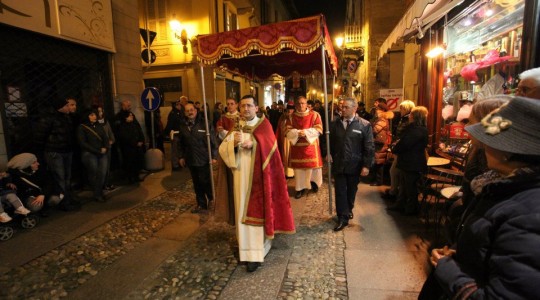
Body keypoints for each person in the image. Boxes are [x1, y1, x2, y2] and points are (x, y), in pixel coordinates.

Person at [419, 96, 540, 299]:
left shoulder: (528, 212)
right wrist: (460, 255)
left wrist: (447, 268)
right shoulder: (500, 187)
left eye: (488, 140)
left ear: (507, 153)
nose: (484, 146)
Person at [218, 95, 295, 272]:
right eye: (243, 106)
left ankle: (256, 254)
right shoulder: (236, 126)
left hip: (259, 181)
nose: (246, 109)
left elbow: (271, 149)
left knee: (257, 213)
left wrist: (253, 145)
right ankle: (245, 252)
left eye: (249, 106)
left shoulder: (264, 125)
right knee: (241, 214)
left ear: (256, 108)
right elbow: (223, 149)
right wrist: (234, 145)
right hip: (240, 178)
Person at [324, 98, 374, 231]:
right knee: (340, 191)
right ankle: (342, 217)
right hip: (339, 163)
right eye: (342, 107)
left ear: (354, 108)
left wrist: (366, 165)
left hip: (354, 164)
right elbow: (327, 140)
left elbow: (369, 146)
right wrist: (327, 152)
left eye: (346, 107)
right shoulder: (335, 124)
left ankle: (348, 209)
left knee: (351, 191)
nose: (343, 109)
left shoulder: (364, 125)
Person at [33, 97, 79, 211]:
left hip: (67, 151)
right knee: (60, 178)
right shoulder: (48, 119)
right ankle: (63, 202)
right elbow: (39, 137)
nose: (69, 107)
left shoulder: (67, 118)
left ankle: (67, 198)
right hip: (55, 152)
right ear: (60, 107)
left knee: (67, 177)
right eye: (67, 105)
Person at [387, 106, 428, 215]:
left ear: (415, 117)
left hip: (412, 163)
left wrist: (395, 148)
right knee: (404, 185)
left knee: (410, 188)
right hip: (409, 162)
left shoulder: (417, 130)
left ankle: (411, 210)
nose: (409, 116)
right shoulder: (417, 129)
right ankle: (401, 205)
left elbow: (405, 144)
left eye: (411, 114)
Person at [177, 103, 217, 213]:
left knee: (206, 181)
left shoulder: (205, 123)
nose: (190, 112)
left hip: (204, 158)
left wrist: (214, 156)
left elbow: (213, 140)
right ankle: (201, 204)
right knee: (196, 183)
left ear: (196, 110)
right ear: (185, 113)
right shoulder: (183, 125)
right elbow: (180, 143)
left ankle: (212, 200)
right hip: (191, 159)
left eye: (192, 109)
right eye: (187, 110)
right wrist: (181, 156)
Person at [285, 96, 324, 199]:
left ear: (307, 104)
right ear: (295, 105)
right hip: (297, 147)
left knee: (313, 168)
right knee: (299, 170)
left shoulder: (315, 115)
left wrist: (305, 132)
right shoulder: (291, 117)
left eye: (303, 103)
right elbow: (287, 130)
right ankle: (300, 188)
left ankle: (314, 184)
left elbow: (319, 129)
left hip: (311, 146)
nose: (301, 105)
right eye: (298, 104)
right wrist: (298, 133)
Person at [383, 100, 415, 199]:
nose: (400, 110)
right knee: (396, 172)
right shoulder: (404, 119)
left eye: (402, 108)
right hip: (400, 148)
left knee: (394, 171)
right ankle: (394, 191)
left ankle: (394, 193)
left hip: (402, 150)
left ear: (406, 109)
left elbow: (403, 136)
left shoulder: (408, 120)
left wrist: (395, 146)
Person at [77, 109, 109, 202]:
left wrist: (106, 147)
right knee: (94, 173)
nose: (94, 116)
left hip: (102, 152)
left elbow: (105, 137)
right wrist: (98, 150)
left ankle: (98, 192)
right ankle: (97, 193)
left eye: (94, 115)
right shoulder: (82, 127)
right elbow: (83, 143)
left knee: (102, 173)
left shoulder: (98, 126)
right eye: (91, 115)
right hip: (90, 154)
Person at [369, 98, 394, 186]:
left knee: (379, 162)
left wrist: (369, 128)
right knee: (377, 161)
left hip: (380, 144)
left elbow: (375, 130)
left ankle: (378, 181)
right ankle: (376, 179)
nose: (376, 111)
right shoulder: (379, 118)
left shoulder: (382, 119)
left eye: (377, 109)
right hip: (379, 143)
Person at [116, 111, 145, 183]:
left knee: (137, 162)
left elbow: (140, 132)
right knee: (130, 163)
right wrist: (135, 143)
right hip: (128, 148)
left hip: (137, 148)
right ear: (125, 117)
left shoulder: (134, 124)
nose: (131, 116)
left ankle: (136, 176)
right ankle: (130, 177)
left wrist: (141, 141)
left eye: (132, 115)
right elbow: (125, 137)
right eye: (129, 115)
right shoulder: (122, 126)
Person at [94, 105, 116, 190]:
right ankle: (101, 184)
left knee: (107, 167)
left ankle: (107, 183)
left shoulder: (105, 122)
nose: (100, 113)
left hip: (107, 147)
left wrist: (111, 141)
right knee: (101, 168)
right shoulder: (94, 123)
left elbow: (110, 133)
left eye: (101, 111)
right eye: (98, 111)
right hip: (99, 148)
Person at [164, 99, 186, 170]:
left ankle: (179, 164)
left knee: (179, 150)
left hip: (180, 134)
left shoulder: (180, 112)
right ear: (175, 105)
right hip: (175, 134)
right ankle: (175, 165)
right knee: (175, 150)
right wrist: (166, 133)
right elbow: (170, 124)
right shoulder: (173, 114)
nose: (180, 106)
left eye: (179, 104)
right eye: (178, 104)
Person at [276, 100, 296, 178]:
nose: (290, 111)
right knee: (286, 155)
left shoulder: (296, 116)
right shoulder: (283, 116)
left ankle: (293, 172)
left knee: (292, 155)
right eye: (289, 109)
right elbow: (279, 126)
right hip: (285, 139)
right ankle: (286, 172)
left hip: (293, 140)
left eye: (291, 109)